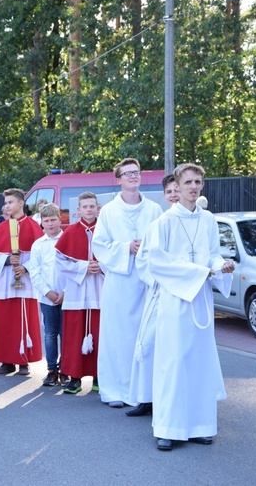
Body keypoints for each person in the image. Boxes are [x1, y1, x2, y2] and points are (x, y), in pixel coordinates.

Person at [137, 163, 233, 451]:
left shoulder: (209, 220)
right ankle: (167, 428)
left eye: (198, 181)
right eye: (188, 181)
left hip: (201, 300)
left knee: (199, 363)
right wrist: (198, 273)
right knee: (174, 362)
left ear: (202, 185)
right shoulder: (163, 223)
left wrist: (221, 266)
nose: (193, 186)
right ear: (176, 187)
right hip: (175, 300)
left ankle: (201, 426)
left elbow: (212, 255)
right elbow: (158, 263)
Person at [91, 159, 162, 408]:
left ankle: (145, 392)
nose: (133, 176)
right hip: (120, 282)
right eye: (127, 173)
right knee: (118, 337)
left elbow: (163, 243)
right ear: (118, 179)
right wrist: (126, 248)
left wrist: (147, 250)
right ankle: (115, 390)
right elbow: (99, 245)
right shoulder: (109, 211)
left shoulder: (154, 210)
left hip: (146, 284)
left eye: (136, 172)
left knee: (145, 337)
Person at [125, 173, 180, 417]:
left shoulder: (201, 221)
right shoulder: (157, 224)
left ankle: (177, 402)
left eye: (177, 189)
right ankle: (147, 398)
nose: (174, 195)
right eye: (170, 191)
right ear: (165, 196)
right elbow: (143, 258)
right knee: (147, 345)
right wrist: (158, 279)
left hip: (185, 299)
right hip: (159, 294)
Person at [0, 188, 44, 375]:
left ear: (20, 203)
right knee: (5, 321)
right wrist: (8, 260)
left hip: (25, 280)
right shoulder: (1, 227)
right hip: (6, 279)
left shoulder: (34, 226)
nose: (7, 206)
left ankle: (24, 360)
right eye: (6, 203)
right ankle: (6, 361)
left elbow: (41, 254)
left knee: (24, 319)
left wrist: (25, 267)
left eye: (11, 202)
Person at [55, 192, 104, 394]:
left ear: (98, 207)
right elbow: (60, 261)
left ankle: (99, 377)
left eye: (92, 206)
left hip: (100, 289)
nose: (89, 210)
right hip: (77, 291)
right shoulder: (70, 232)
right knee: (74, 334)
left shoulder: (105, 230)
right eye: (85, 207)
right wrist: (84, 267)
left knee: (101, 334)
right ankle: (74, 378)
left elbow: (115, 256)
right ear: (79, 210)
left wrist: (101, 266)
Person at [27, 203, 65, 386]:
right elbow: (35, 272)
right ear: (42, 223)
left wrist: (65, 292)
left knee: (66, 334)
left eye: (53, 220)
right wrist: (48, 292)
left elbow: (73, 269)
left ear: (60, 220)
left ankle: (66, 368)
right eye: (46, 221)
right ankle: (52, 370)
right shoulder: (38, 245)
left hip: (67, 296)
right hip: (47, 298)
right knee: (50, 334)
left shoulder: (67, 240)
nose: (50, 224)